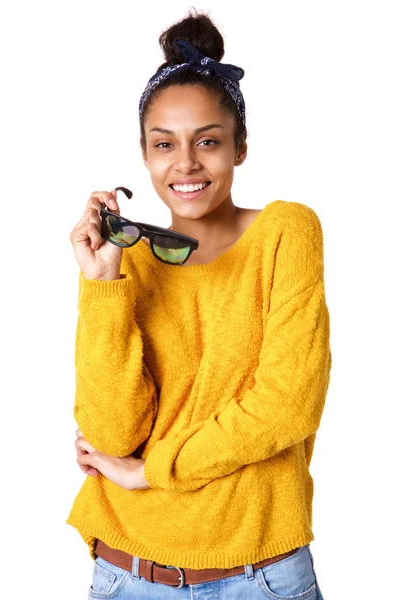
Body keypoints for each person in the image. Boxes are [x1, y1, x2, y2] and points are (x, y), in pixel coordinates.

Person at [66, 8, 331, 600]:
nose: (184, 164)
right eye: (164, 144)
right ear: (144, 154)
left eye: (207, 141)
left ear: (240, 148)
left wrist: (150, 471)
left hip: (258, 574)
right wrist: (101, 280)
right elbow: (110, 432)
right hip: (126, 571)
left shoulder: (286, 231)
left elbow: (288, 405)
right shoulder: (125, 258)